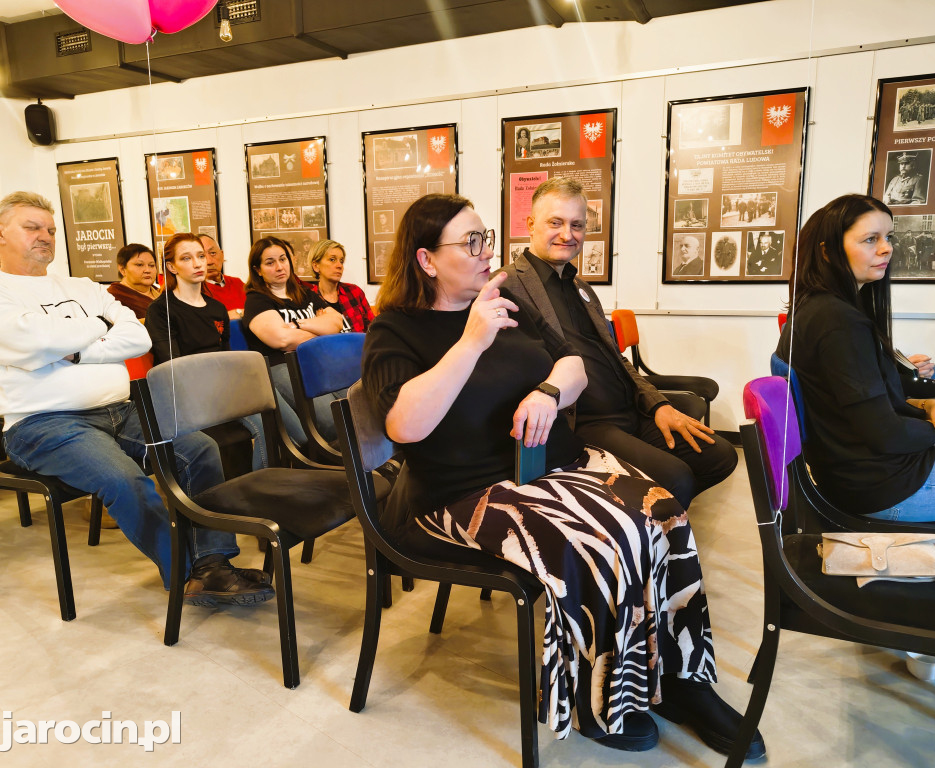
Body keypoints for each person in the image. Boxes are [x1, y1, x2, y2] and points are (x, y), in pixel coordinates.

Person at [363, 193, 763, 757]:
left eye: (486, 238)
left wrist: (550, 392)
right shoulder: (397, 330)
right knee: (597, 540)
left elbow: (571, 364)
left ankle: (679, 677)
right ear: (427, 260)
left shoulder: (504, 304)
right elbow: (405, 426)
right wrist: (471, 341)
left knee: (663, 512)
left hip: (547, 467)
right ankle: (596, 698)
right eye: (470, 242)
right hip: (461, 493)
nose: (486, 252)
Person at [0, 192, 273, 605]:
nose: (45, 237)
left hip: (119, 412)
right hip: (42, 423)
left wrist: (75, 347)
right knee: (125, 480)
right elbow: (34, 339)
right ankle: (185, 572)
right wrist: (99, 324)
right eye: (32, 228)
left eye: (51, 230)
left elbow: (136, 336)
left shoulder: (80, 286)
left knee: (199, 449)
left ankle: (212, 565)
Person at [499, 178, 737, 510]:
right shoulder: (509, 285)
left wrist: (658, 405)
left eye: (577, 225)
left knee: (719, 455)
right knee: (676, 477)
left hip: (629, 410)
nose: (568, 234)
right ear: (530, 225)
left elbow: (618, 358)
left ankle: (653, 517)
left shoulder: (582, 287)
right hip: (582, 422)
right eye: (556, 222)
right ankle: (651, 523)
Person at [776, 193, 935, 521]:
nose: (886, 248)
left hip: (861, 475)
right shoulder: (837, 320)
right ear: (827, 251)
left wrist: (930, 406)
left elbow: (873, 407)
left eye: (888, 237)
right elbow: (883, 432)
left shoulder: (819, 308)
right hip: (881, 485)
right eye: (871, 239)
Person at [145, 233, 269, 472]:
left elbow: (225, 356)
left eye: (201, 256)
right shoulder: (161, 310)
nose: (198, 263)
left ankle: (260, 487)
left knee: (270, 420)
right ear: (172, 267)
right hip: (185, 396)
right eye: (187, 258)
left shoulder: (216, 308)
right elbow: (174, 366)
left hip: (221, 390)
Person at [241, 237, 344, 447]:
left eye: (283, 259)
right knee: (333, 422)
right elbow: (282, 340)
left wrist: (296, 326)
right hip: (283, 367)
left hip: (318, 363)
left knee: (355, 409)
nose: (280, 267)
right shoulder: (257, 300)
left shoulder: (304, 293)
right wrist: (318, 328)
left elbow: (336, 323)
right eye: (270, 262)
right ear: (258, 270)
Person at [307, 239, 374, 332]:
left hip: (359, 345)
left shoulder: (354, 292)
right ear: (316, 266)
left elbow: (373, 328)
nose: (339, 265)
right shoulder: (308, 297)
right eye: (332, 259)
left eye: (341, 261)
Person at [107, 243, 160, 321]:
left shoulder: (162, 292)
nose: (147, 270)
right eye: (139, 265)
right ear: (122, 269)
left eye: (151, 265)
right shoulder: (112, 297)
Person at [199, 234, 246, 320]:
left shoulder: (238, 283)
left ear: (222, 255)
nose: (209, 262)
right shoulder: (195, 291)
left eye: (213, 253)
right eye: (201, 256)